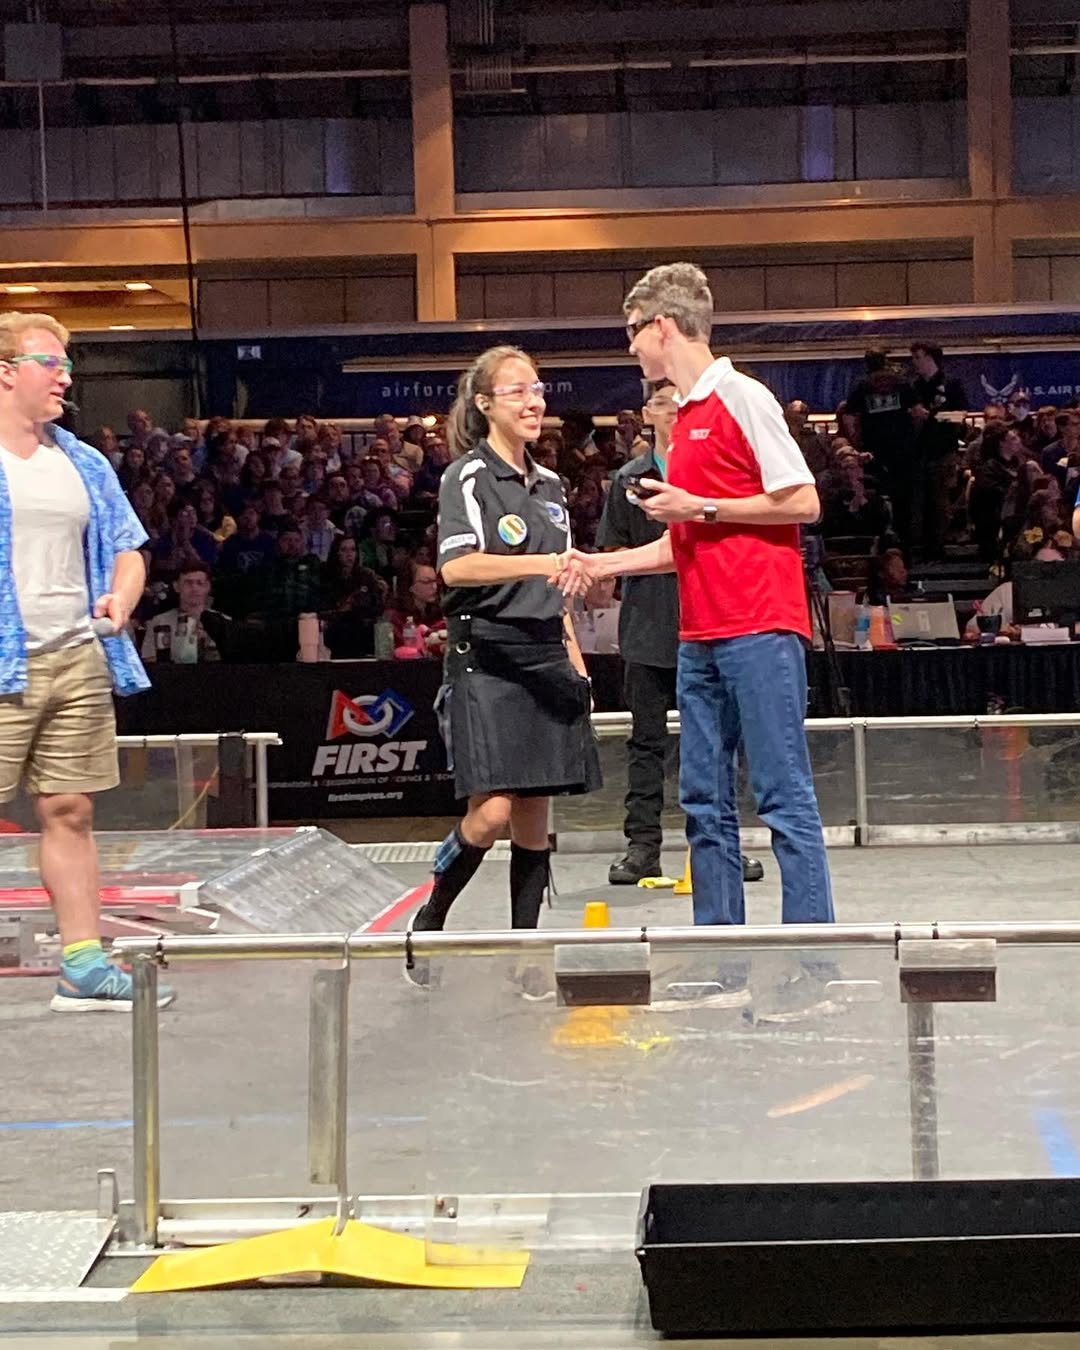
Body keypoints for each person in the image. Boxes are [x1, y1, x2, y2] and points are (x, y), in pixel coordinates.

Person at [557, 263, 834, 1013]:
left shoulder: (744, 398)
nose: (630, 349)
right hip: (700, 632)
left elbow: (802, 501)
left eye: (632, 333)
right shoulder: (684, 424)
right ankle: (722, 963)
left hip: (761, 626)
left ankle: (816, 971)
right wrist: (604, 562)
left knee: (782, 796)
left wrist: (702, 506)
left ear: (661, 327)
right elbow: (683, 541)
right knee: (703, 801)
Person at [407, 344, 601, 995]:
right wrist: (543, 565)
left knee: (534, 820)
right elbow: (457, 567)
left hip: (546, 655)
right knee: (490, 815)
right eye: (517, 391)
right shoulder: (466, 476)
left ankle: (527, 953)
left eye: (538, 389)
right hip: (485, 656)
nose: (532, 401)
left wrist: (575, 662)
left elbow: (562, 588)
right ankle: (431, 916)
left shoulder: (552, 487)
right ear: (486, 404)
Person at [0, 311, 173, 1011]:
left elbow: (128, 547)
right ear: (5, 372)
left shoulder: (82, 461)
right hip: (4, 664)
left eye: (67, 365)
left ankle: (83, 965)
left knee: (70, 810)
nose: (65, 378)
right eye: (51, 363)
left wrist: (122, 597)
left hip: (74, 657)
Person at [597, 377, 764, 887]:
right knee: (646, 743)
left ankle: (720, 844)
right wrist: (663, 557)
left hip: (712, 622)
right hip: (649, 628)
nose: (672, 410)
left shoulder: (712, 471)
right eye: (662, 403)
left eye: (680, 402)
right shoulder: (630, 479)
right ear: (647, 412)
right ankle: (642, 847)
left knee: (715, 743)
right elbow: (612, 551)